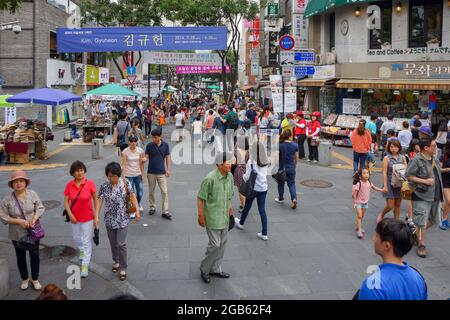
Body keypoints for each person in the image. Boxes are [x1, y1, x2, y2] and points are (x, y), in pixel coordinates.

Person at [356, 218, 427, 300]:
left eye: (376, 236)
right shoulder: (418, 278)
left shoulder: (373, 287)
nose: (373, 239)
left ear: (386, 246)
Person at [0, 170, 45, 291]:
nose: (18, 183)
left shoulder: (32, 194)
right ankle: (24, 278)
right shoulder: (7, 199)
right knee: (20, 256)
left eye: (21, 181)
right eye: (15, 181)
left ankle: (34, 279)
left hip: (33, 231)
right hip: (16, 233)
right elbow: (2, 215)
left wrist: (35, 218)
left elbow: (40, 207)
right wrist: (18, 221)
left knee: (34, 255)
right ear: (12, 184)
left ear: (25, 182)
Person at [97, 162, 140, 281]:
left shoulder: (125, 183)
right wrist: (96, 216)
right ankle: (115, 260)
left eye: (113, 176)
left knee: (121, 243)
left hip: (122, 219)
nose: (111, 178)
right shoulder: (104, 186)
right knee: (113, 242)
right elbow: (99, 200)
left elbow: (132, 196)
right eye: (109, 176)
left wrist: (137, 210)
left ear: (118, 175)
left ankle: (123, 267)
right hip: (109, 219)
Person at [197, 152, 234, 284]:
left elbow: (229, 196)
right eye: (227, 162)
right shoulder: (210, 179)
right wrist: (200, 216)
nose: (230, 164)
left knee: (222, 244)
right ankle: (204, 269)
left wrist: (230, 209)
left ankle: (216, 269)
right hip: (212, 218)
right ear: (219, 164)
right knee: (215, 245)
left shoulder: (230, 176)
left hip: (224, 217)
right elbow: (201, 198)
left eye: (230, 161)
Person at [405, 138, 443, 258]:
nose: (436, 147)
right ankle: (422, 244)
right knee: (421, 222)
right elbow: (408, 175)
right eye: (433, 145)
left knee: (435, 219)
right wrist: (424, 181)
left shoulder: (435, 159)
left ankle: (414, 234)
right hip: (421, 194)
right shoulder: (416, 159)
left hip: (436, 194)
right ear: (426, 148)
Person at [63, 161, 98, 278]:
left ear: (84, 171)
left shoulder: (90, 184)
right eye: (77, 170)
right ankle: (82, 251)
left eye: (81, 170)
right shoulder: (69, 185)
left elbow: (95, 200)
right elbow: (66, 201)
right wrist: (70, 214)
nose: (79, 172)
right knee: (77, 238)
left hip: (88, 217)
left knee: (87, 241)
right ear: (73, 173)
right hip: (74, 218)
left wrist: (96, 215)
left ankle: (85, 265)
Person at [235, 141, 270, 241]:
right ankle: (264, 233)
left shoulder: (251, 160)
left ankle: (241, 223)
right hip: (264, 188)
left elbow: (246, 176)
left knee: (247, 206)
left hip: (253, 188)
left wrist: (242, 177)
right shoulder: (265, 160)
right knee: (262, 209)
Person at [377, 140, 407, 223]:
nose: (393, 149)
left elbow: (406, 171)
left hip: (400, 183)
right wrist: (385, 185)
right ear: (389, 148)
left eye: (396, 147)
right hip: (389, 182)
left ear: (399, 148)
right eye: (391, 147)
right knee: (390, 205)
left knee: (398, 204)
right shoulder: (386, 158)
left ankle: (396, 221)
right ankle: (382, 214)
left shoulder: (403, 157)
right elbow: (384, 172)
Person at [145, 128, 172, 219]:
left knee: (164, 191)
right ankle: (152, 207)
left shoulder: (165, 145)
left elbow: (168, 157)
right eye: (152, 137)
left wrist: (168, 169)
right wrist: (144, 159)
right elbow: (146, 156)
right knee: (151, 191)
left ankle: (165, 211)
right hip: (151, 172)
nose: (153, 139)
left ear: (160, 137)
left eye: (155, 137)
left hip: (161, 172)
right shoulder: (149, 146)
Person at [352, 169, 384, 239]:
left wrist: (382, 190)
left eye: (367, 173)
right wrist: (354, 203)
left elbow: (374, 188)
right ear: (360, 176)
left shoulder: (369, 182)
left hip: (365, 202)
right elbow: (354, 194)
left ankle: (358, 226)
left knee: (361, 216)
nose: (366, 175)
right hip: (358, 202)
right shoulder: (359, 183)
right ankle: (359, 230)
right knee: (359, 216)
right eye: (364, 173)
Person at [275, 129, 299, 209]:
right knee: (291, 184)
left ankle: (281, 198)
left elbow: (276, 156)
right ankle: (294, 199)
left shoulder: (280, 145)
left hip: (282, 168)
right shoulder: (295, 145)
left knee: (281, 183)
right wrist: (294, 165)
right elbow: (296, 157)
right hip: (291, 167)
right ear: (290, 136)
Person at [121, 136, 145, 213]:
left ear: (137, 142)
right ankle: (133, 207)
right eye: (131, 142)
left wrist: (142, 174)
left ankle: (138, 203)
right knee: (130, 193)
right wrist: (123, 176)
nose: (133, 143)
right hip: (129, 174)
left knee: (140, 192)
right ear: (129, 142)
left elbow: (142, 163)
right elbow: (124, 164)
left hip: (138, 173)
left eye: (135, 142)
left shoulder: (140, 151)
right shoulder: (125, 151)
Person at [233, 137, 249, 213]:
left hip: (239, 170)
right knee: (244, 188)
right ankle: (244, 204)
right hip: (246, 169)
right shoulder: (248, 150)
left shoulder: (237, 150)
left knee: (240, 189)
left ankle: (243, 205)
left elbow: (233, 162)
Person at [440, 140, 450, 230]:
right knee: (449, 200)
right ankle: (443, 220)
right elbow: (439, 169)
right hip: (445, 180)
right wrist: (447, 169)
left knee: (448, 203)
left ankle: (445, 220)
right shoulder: (444, 156)